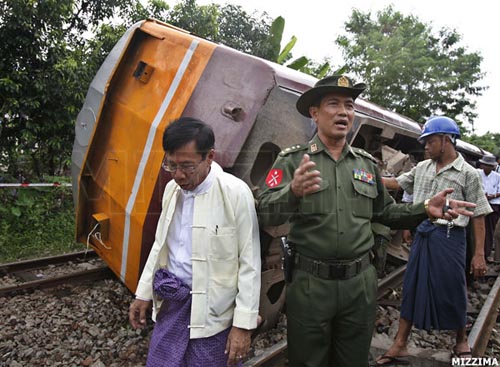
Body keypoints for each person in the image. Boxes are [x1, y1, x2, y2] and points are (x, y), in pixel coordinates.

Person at [256, 75, 477, 367]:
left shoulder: (366, 165)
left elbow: (386, 214)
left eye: (349, 105)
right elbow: (265, 213)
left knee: (354, 360)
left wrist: (424, 208)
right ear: (314, 112)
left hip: (358, 287)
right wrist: (293, 192)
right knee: (307, 361)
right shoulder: (292, 161)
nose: (344, 112)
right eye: (333, 104)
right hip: (311, 285)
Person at [128, 117, 261, 367]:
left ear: (209, 156)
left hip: (216, 316)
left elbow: (250, 263)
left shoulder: (235, 193)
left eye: (187, 166)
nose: (178, 175)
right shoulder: (172, 191)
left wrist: (242, 325)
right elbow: (159, 246)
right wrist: (143, 293)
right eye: (171, 164)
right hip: (173, 304)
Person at [377, 116, 492, 365]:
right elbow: (396, 183)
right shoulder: (423, 168)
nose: (426, 147)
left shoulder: (468, 174)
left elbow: (479, 215)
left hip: (450, 237)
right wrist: (364, 176)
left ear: (446, 140)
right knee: (412, 287)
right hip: (423, 236)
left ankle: (461, 339)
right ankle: (400, 343)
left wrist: (479, 253)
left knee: (453, 287)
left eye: (430, 141)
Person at [477, 154, 500, 262]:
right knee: (478, 228)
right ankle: (477, 252)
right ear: (482, 165)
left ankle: (487, 253)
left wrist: (492, 196)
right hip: (479, 203)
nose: (487, 167)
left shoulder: (497, 176)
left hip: (493, 204)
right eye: (486, 165)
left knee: (490, 230)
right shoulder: (477, 173)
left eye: (490, 166)